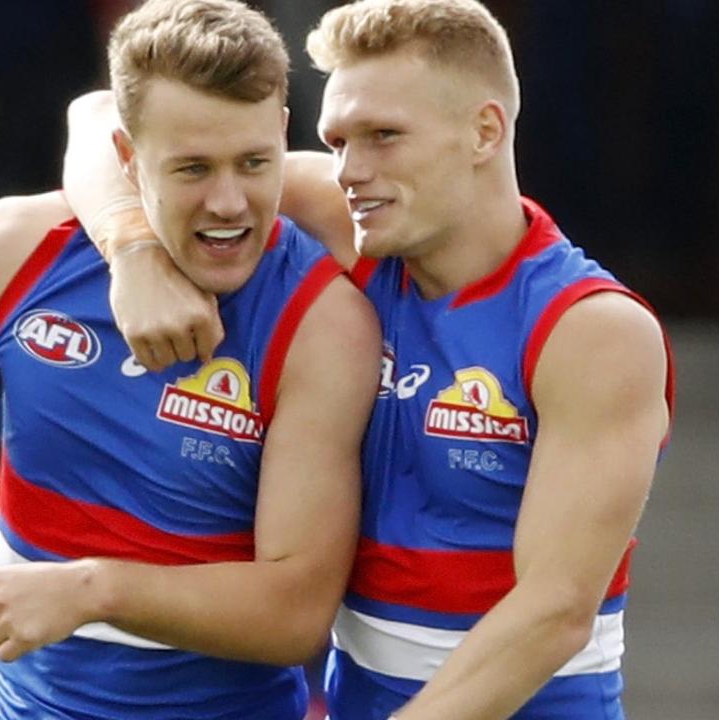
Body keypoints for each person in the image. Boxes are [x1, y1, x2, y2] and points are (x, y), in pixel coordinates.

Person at [0, 1, 381, 718]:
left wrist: (90, 589)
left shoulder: (322, 320)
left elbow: (294, 612)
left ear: (283, 134)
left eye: (254, 162)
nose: (229, 202)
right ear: (125, 156)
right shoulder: (16, 247)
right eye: (192, 168)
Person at [61, 1, 675, 718]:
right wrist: (132, 250)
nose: (349, 169)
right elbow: (98, 121)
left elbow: (553, 614)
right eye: (337, 139)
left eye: (383, 136)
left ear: (485, 130)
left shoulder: (590, 328)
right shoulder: (357, 227)